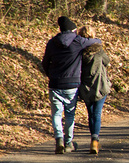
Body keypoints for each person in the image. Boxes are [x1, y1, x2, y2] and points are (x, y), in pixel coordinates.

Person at [41, 16, 101, 154]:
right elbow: (96, 41)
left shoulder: (51, 43)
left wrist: (50, 75)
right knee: (69, 115)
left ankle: (59, 141)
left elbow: (45, 63)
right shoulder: (77, 42)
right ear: (72, 30)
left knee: (56, 114)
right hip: (72, 84)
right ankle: (68, 143)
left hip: (55, 83)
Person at [77, 26, 111, 155]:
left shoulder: (79, 52)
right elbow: (107, 62)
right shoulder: (99, 51)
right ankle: (94, 140)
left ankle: (94, 139)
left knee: (90, 114)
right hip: (100, 86)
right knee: (97, 114)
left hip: (86, 88)